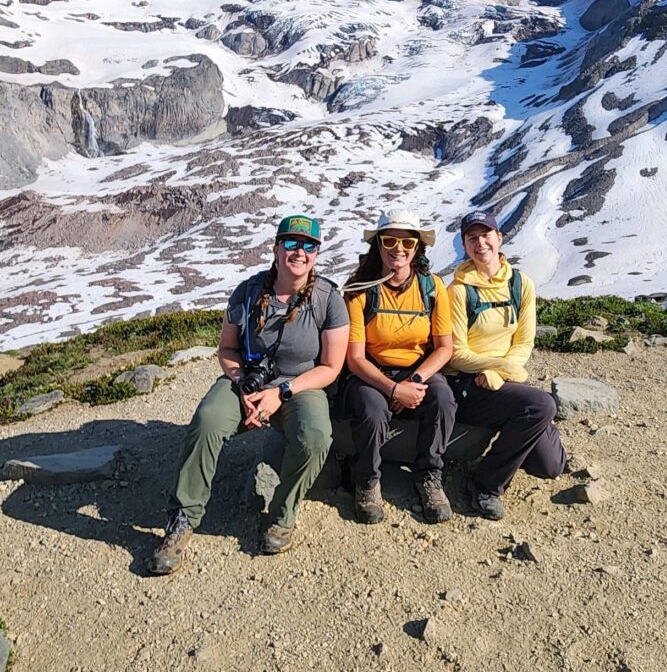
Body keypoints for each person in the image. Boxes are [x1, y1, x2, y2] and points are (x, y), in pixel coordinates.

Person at [148, 214, 350, 574]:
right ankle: (183, 517)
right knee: (208, 418)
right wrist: (242, 385)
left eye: (308, 246)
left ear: (317, 254)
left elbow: (331, 367)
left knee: (316, 436)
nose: (298, 252)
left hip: (300, 386)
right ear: (275, 249)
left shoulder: (329, 299)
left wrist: (282, 393)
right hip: (248, 384)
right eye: (290, 243)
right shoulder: (248, 291)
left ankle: (283, 514)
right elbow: (227, 349)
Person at [446, 210, 566, 521]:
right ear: (464, 245)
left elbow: (524, 342)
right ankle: (486, 484)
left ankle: (519, 434)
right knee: (542, 405)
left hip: (503, 380)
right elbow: (457, 353)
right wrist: (498, 370)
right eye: (472, 238)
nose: (480, 242)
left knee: (549, 467)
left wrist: (502, 373)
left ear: (500, 239)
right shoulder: (458, 291)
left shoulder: (520, 284)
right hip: (468, 383)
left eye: (486, 235)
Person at [344, 209, 456, 525]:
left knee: (443, 400)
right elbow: (355, 358)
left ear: (417, 248)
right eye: (390, 240)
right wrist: (393, 389)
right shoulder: (359, 290)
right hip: (371, 371)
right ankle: (367, 481)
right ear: (378, 245)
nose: (399, 248)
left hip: (418, 370)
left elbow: (445, 347)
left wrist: (415, 382)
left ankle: (429, 476)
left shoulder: (433, 287)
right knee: (372, 410)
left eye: (407, 242)